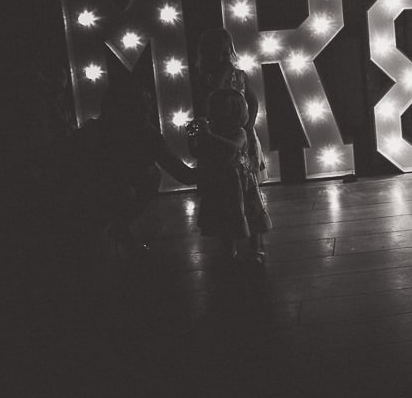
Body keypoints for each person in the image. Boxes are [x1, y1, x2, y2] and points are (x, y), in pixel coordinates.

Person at [51, 79, 193, 264]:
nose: (148, 111)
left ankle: (117, 230)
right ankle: (111, 232)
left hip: (82, 199)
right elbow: (182, 174)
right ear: (123, 110)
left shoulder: (95, 131)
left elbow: (182, 173)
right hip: (80, 202)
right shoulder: (139, 135)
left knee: (150, 175)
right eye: (141, 106)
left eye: (148, 104)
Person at [186, 88, 272, 265]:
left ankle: (256, 249)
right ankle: (228, 249)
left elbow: (233, 147)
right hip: (219, 182)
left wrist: (209, 136)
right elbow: (197, 153)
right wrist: (193, 138)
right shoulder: (213, 132)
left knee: (250, 215)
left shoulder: (240, 132)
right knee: (223, 216)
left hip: (240, 183)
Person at [195, 28, 267, 183]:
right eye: (216, 55)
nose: (222, 59)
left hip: (241, 130)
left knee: (246, 174)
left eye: (225, 54)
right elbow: (207, 101)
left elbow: (253, 101)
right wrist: (222, 75)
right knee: (222, 174)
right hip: (217, 133)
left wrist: (249, 125)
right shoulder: (205, 80)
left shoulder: (241, 76)